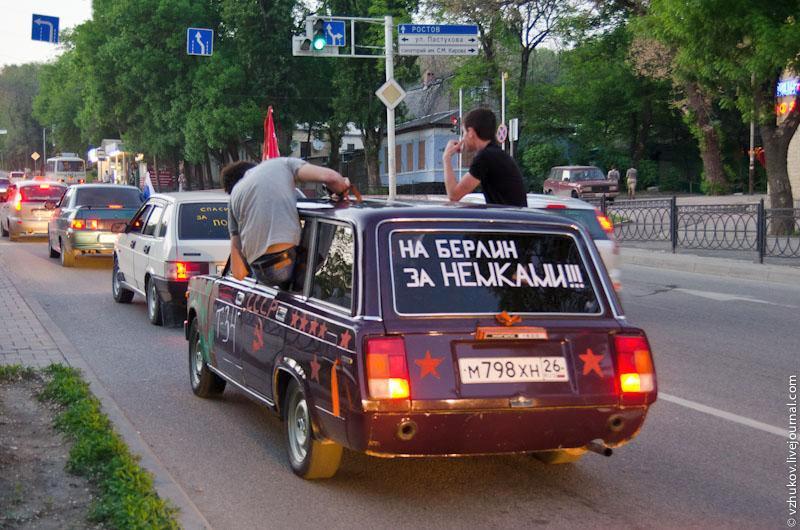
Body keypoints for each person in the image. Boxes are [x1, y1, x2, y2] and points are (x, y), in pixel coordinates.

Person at [222, 158, 350, 286]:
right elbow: (331, 178)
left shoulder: (235, 195)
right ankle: (304, 276)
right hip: (285, 265)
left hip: (260, 273)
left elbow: (237, 265)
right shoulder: (284, 164)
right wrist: (341, 192)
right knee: (325, 213)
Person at [442, 108, 526, 206]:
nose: (463, 138)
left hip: (507, 219)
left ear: (471, 132)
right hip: (513, 217)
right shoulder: (496, 154)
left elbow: (454, 196)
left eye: (463, 132)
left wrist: (446, 157)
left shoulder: (485, 158)